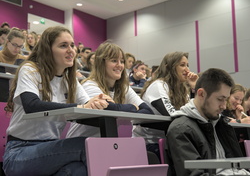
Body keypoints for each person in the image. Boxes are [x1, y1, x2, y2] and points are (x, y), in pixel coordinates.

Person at [3, 26, 110, 175]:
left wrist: (100, 102)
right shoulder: (30, 69)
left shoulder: (69, 80)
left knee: (77, 170)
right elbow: (31, 105)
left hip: (50, 150)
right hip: (19, 152)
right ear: (48, 49)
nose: (71, 50)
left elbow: (88, 108)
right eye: (63, 45)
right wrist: (83, 105)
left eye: (72, 45)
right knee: (85, 145)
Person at [166, 68, 250, 176]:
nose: (224, 106)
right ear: (201, 94)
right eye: (220, 99)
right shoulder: (180, 130)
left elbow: (237, 167)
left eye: (226, 99)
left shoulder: (221, 124)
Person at [66, 41, 154, 138]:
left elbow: (148, 110)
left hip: (107, 143)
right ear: (101, 63)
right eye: (114, 60)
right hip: (81, 142)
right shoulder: (90, 85)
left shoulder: (124, 88)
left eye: (122, 61)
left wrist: (125, 110)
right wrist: (134, 108)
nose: (120, 65)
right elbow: (108, 108)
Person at [132, 52, 198, 158]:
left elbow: (193, 112)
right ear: (169, 67)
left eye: (187, 65)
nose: (187, 69)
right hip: (148, 143)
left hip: (170, 141)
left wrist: (194, 89)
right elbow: (171, 114)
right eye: (182, 65)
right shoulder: (158, 85)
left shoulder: (183, 89)